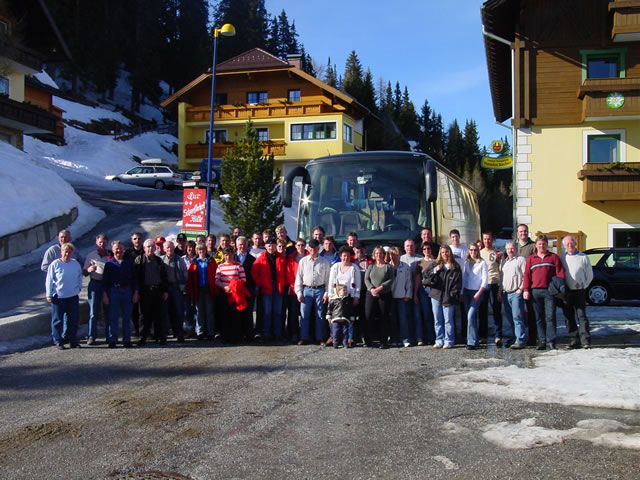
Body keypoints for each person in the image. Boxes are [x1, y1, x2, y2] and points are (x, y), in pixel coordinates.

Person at [523, 235, 565, 350]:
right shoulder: (531, 259)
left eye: (544, 244)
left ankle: (551, 341)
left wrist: (559, 287)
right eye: (539, 244)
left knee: (550, 317)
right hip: (535, 291)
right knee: (538, 318)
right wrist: (526, 289)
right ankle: (542, 341)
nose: (541, 246)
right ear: (536, 245)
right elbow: (527, 275)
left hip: (549, 292)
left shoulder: (553, 257)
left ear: (547, 245)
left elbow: (560, 273)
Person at [45, 243, 83, 349]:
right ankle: (58, 340)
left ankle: (72, 340)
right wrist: (49, 294)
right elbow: (49, 280)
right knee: (58, 320)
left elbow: (79, 276)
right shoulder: (55, 264)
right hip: (59, 297)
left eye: (69, 252)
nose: (67, 254)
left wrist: (79, 287)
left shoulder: (75, 263)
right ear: (61, 252)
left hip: (73, 296)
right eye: (65, 251)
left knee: (73, 319)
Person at [102, 240, 138, 348]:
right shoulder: (109, 264)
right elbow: (105, 281)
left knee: (127, 317)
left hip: (127, 291)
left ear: (124, 250)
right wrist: (104, 295)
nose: (119, 251)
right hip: (114, 292)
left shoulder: (129, 263)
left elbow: (134, 279)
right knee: (113, 317)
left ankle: (127, 339)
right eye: (116, 248)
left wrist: (136, 292)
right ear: (113, 250)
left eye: (120, 248)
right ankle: (113, 339)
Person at [295, 239, 331, 345]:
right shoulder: (303, 261)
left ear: (318, 249)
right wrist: (299, 292)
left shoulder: (324, 262)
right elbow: (299, 278)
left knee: (320, 315)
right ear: (308, 249)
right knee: (304, 315)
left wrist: (326, 293)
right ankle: (304, 337)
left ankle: (320, 338)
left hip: (320, 290)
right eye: (311, 248)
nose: (313, 250)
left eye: (315, 248)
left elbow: (328, 279)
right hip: (306, 290)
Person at [561, 235, 593, 349]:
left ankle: (585, 340)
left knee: (581, 315)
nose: (570, 245)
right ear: (564, 246)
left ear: (575, 243)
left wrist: (584, 285)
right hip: (566, 292)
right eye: (567, 244)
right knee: (569, 317)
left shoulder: (583, 257)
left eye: (572, 243)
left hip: (579, 291)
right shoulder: (562, 258)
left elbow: (589, 274)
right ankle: (574, 339)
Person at [427, 245, 462, 350]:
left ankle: (449, 340)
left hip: (449, 296)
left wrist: (453, 294)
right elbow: (426, 275)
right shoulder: (435, 264)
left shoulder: (455, 267)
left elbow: (458, 283)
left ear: (450, 252)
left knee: (448, 320)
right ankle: (439, 340)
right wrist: (435, 270)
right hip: (436, 295)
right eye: (442, 252)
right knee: (437, 320)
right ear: (440, 254)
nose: (445, 254)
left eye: (447, 252)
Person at [134, 239, 169, 346]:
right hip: (144, 291)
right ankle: (142, 337)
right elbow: (135, 277)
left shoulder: (159, 261)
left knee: (158, 315)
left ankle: (159, 337)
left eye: (152, 246)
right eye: (148, 246)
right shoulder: (139, 260)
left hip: (157, 290)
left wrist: (165, 291)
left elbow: (164, 276)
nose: (150, 248)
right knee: (143, 316)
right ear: (144, 248)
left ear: (155, 248)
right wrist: (136, 291)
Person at [252, 238, 287, 341]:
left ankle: (277, 333)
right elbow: (254, 272)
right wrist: (260, 282)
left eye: (273, 245)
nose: (271, 247)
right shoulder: (261, 258)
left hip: (278, 287)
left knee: (278, 311)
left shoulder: (281, 258)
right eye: (269, 246)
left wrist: (284, 283)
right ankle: (266, 333)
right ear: (266, 247)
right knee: (267, 312)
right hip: (266, 287)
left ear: (276, 246)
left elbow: (287, 272)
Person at [328, 246, 361, 347]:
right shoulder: (335, 267)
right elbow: (330, 282)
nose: (346, 258)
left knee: (349, 318)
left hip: (349, 297)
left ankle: (349, 338)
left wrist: (356, 296)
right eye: (344, 256)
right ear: (340, 256)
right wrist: (330, 295)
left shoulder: (354, 268)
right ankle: (333, 337)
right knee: (334, 318)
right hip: (336, 297)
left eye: (348, 256)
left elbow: (358, 283)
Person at [215, 246, 247, 343]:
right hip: (224, 294)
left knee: (235, 316)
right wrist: (224, 287)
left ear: (233, 255)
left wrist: (233, 287)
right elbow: (217, 280)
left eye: (230, 254)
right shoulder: (220, 266)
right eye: (226, 255)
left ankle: (236, 337)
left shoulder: (238, 266)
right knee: (225, 315)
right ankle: (225, 336)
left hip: (235, 295)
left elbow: (243, 280)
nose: (228, 257)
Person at [83, 233, 110, 345]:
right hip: (95, 283)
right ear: (96, 242)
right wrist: (89, 270)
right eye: (100, 242)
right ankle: (91, 336)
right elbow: (84, 272)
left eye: (104, 242)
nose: (102, 244)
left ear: (107, 243)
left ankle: (109, 336)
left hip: (107, 284)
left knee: (108, 311)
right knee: (93, 312)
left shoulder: (110, 255)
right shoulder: (91, 255)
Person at [364, 246, 394, 349]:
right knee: (368, 316)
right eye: (377, 253)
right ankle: (368, 340)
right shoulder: (371, 266)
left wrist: (380, 288)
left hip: (384, 294)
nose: (379, 255)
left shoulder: (388, 267)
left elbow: (391, 279)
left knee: (384, 317)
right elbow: (366, 279)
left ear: (384, 254)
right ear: (374, 255)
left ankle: (383, 341)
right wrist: (372, 289)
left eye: (380, 253)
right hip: (371, 294)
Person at [499, 241, 527, 349]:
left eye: (512, 248)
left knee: (517, 317)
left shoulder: (521, 260)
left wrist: (521, 289)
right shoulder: (504, 262)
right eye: (508, 249)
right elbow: (501, 278)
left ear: (516, 249)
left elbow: (525, 275)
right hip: (506, 293)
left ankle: (520, 339)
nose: (510, 251)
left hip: (516, 293)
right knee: (510, 317)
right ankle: (515, 337)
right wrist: (500, 291)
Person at [186, 243, 217, 341]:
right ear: (197, 251)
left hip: (208, 288)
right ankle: (200, 332)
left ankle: (210, 332)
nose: (201, 251)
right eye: (199, 250)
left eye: (203, 249)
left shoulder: (211, 261)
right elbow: (190, 278)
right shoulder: (194, 262)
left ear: (206, 250)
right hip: (198, 289)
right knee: (199, 312)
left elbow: (216, 274)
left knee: (209, 311)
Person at [479, 232, 503, 345]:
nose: (487, 241)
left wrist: (500, 288)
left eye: (489, 239)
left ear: (492, 240)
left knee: (496, 310)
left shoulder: (497, 253)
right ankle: (483, 335)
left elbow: (501, 269)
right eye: (485, 239)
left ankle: (498, 335)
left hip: (494, 284)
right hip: (483, 285)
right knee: (482, 311)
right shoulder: (479, 253)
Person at [462, 244, 488, 350]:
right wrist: (461, 292)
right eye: (471, 250)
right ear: (469, 251)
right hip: (466, 292)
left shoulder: (482, 263)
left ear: (478, 251)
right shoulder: (466, 262)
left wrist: (479, 293)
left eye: (475, 250)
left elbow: (485, 280)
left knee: (470, 315)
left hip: (477, 292)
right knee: (470, 317)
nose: (473, 252)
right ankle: (475, 340)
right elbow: (464, 279)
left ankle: (471, 341)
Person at [162, 240, 186, 343]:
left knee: (179, 311)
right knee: (165, 311)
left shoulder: (179, 259)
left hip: (176, 287)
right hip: (166, 288)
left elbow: (185, 274)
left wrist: (182, 287)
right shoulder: (161, 260)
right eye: (167, 247)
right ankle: (164, 334)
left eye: (171, 247)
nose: (169, 249)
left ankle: (179, 333)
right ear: (164, 249)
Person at [389, 247, 413, 347]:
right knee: (392, 320)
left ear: (400, 255)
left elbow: (409, 282)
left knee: (403, 319)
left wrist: (408, 295)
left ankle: (405, 339)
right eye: (393, 255)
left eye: (397, 255)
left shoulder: (405, 267)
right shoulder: (387, 267)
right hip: (390, 297)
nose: (395, 257)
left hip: (402, 297)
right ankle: (394, 339)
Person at [284, 238, 307, 343]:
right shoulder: (291, 258)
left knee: (306, 314)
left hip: (307, 289)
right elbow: (289, 275)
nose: (300, 247)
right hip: (294, 291)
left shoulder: (310, 256)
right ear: (295, 246)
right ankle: (294, 334)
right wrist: (296, 289)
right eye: (298, 245)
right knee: (293, 313)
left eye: (302, 245)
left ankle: (306, 334)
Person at [414, 242, 437, 345]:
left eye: (428, 248)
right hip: (423, 290)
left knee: (435, 314)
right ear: (422, 251)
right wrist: (415, 293)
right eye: (424, 249)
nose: (427, 251)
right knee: (426, 314)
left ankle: (436, 336)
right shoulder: (419, 263)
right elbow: (418, 279)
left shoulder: (437, 261)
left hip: (435, 290)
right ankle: (429, 337)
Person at [235, 236, 257, 341]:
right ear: (236, 245)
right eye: (240, 245)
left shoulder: (252, 259)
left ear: (247, 246)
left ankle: (248, 335)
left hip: (248, 290)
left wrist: (254, 289)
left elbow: (254, 275)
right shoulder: (232, 257)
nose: (242, 247)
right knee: (236, 313)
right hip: (235, 291)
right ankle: (237, 334)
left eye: (244, 244)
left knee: (248, 312)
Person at [125, 231, 145, 335]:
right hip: (132, 283)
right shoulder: (128, 253)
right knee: (134, 309)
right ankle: (137, 329)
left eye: (139, 238)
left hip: (144, 282)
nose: (137, 240)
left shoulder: (145, 251)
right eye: (135, 239)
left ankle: (144, 329)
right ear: (131, 240)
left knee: (144, 309)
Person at [326, 284, 355, 348]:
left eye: (346, 290)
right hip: (336, 319)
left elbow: (351, 309)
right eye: (343, 290)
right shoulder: (333, 300)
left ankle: (345, 343)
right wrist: (329, 316)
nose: (345, 291)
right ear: (338, 291)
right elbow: (329, 309)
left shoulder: (347, 300)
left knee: (345, 332)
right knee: (335, 332)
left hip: (345, 319)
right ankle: (335, 343)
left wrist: (352, 317)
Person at [181, 240, 198, 337]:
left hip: (196, 288)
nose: (190, 249)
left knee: (196, 310)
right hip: (185, 288)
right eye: (189, 247)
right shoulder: (182, 259)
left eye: (192, 247)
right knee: (187, 310)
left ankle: (196, 329)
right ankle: (188, 330)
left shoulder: (198, 259)